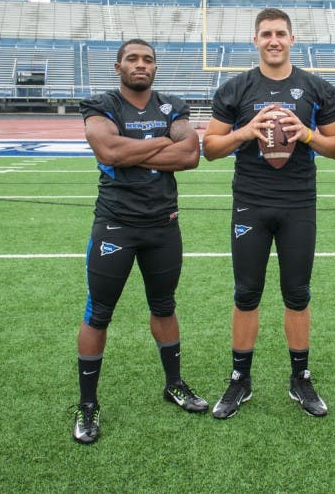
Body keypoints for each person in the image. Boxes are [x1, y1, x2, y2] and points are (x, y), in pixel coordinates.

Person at [202, 7, 335, 419]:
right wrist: (247, 131)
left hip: (298, 202)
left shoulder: (316, 88)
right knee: (246, 293)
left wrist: (308, 135)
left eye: (280, 33)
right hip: (250, 200)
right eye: (266, 34)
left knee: (297, 294)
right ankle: (239, 380)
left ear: (292, 39)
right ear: (256, 40)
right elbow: (209, 148)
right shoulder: (236, 88)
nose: (274, 41)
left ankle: (300, 377)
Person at [71, 39, 208, 445]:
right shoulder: (102, 104)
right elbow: (109, 150)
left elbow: (190, 156)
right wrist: (160, 144)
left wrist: (135, 151)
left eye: (148, 59)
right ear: (118, 66)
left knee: (164, 306)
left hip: (163, 225)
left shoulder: (172, 106)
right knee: (99, 313)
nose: (141, 65)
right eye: (133, 58)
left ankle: (174, 384)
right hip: (116, 224)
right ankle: (88, 404)